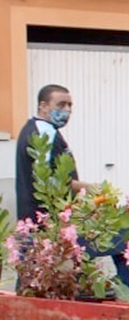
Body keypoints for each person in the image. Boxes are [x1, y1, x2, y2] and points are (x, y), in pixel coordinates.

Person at [16, 84, 88, 221]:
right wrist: (88, 187)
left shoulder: (40, 128)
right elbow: (47, 179)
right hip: (43, 217)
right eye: (61, 105)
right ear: (43, 106)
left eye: (69, 105)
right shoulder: (44, 132)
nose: (67, 110)